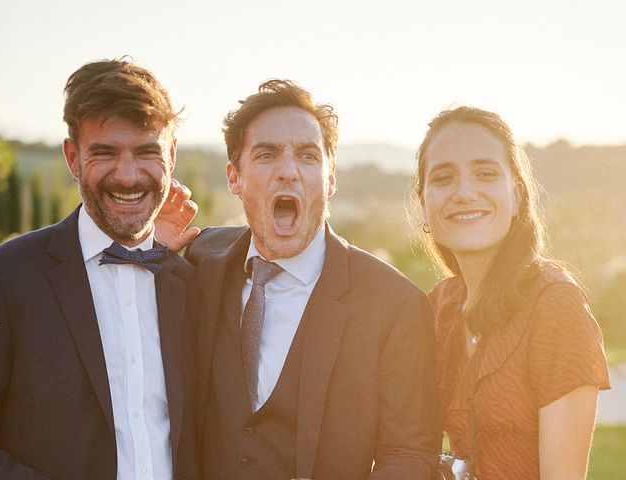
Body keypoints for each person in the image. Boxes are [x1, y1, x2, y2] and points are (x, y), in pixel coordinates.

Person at [181, 80, 438, 479]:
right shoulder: (201, 261)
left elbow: (408, 454)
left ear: (330, 178)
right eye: (266, 155)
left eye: (307, 155)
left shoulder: (395, 304)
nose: (288, 172)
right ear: (235, 177)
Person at [0, 59, 199, 480]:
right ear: (73, 157)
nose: (128, 175)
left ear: (171, 155)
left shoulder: (192, 284)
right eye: (104, 153)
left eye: (146, 152)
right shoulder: (3, 278)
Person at [413, 106, 611, 479]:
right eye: (443, 178)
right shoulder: (437, 307)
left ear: (518, 196)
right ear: (423, 205)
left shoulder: (555, 305)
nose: (464, 192)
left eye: (486, 174)